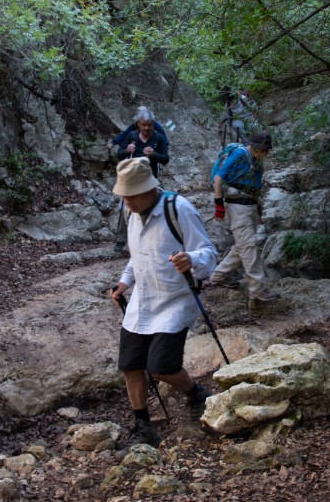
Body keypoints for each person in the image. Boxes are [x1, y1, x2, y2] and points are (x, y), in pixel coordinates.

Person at [109, 157, 217, 447]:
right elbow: (138, 256)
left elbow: (208, 253)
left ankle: (196, 393)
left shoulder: (178, 208)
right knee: (130, 364)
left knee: (160, 367)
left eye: (130, 196)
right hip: (142, 300)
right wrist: (124, 283)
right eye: (123, 196)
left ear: (148, 190)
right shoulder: (131, 212)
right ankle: (143, 426)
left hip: (175, 299)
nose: (126, 201)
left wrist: (191, 259)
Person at [209, 131, 280, 304]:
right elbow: (218, 179)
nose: (267, 153)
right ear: (258, 148)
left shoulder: (256, 158)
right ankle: (257, 290)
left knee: (242, 245)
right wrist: (219, 205)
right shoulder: (241, 154)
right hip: (238, 205)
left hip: (249, 205)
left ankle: (218, 276)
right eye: (265, 150)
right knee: (249, 246)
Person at [113, 107, 171, 252]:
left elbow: (165, 159)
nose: (146, 128)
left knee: (153, 209)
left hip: (150, 180)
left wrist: (154, 154)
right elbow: (119, 155)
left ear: (153, 124)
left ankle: (150, 239)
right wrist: (127, 150)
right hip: (131, 180)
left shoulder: (159, 138)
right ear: (138, 123)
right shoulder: (131, 136)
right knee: (125, 209)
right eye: (143, 124)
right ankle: (121, 240)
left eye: (149, 124)